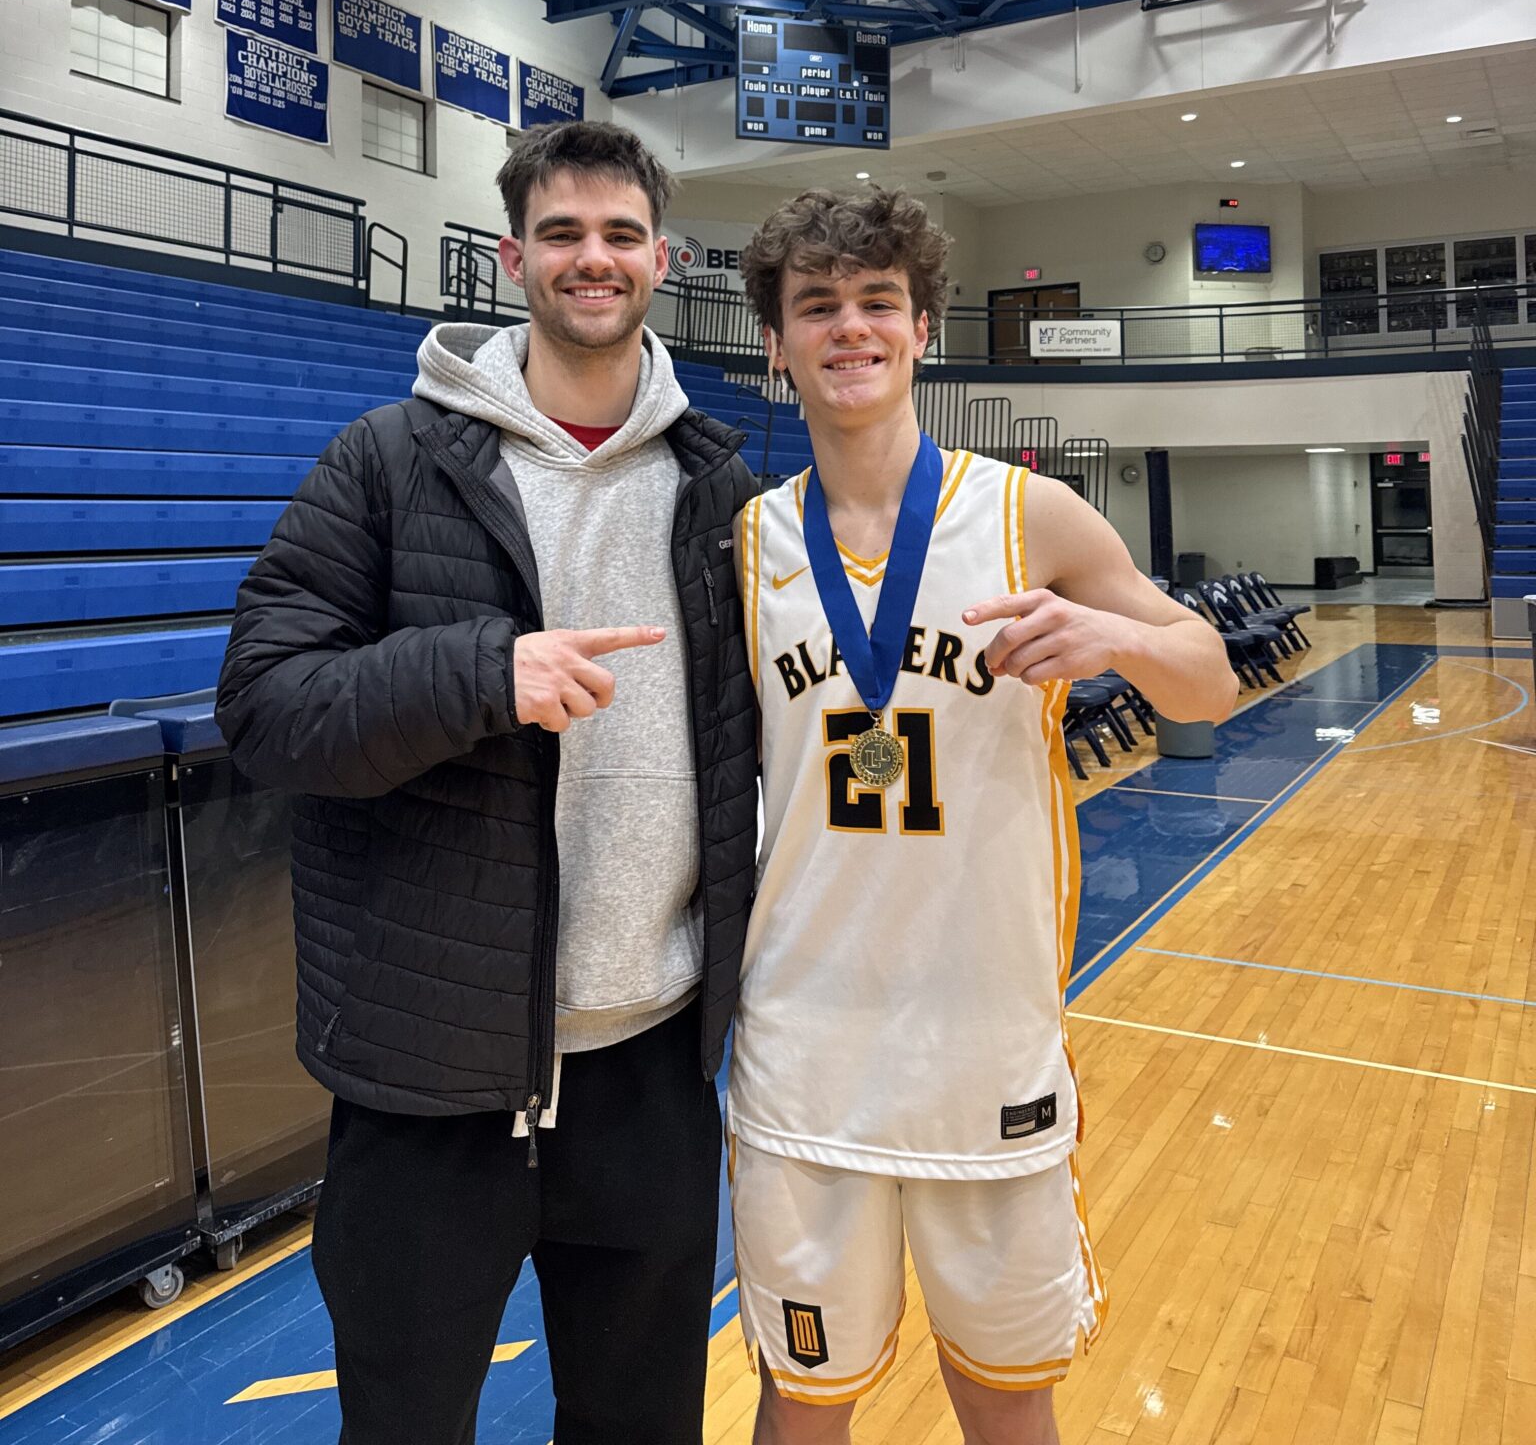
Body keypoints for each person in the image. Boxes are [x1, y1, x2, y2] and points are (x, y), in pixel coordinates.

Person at [216, 121, 760, 1445]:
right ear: (512, 258)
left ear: (661, 260)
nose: (594, 258)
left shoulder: (718, 486)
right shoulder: (389, 461)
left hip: (649, 1066)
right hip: (430, 1083)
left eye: (621, 234)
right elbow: (266, 711)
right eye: (563, 233)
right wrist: (479, 674)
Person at [729, 187, 1237, 1445]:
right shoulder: (743, 542)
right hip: (805, 1049)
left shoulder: (1029, 514)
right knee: (799, 1401)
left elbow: (1211, 679)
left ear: (921, 327)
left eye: (877, 304)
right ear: (777, 346)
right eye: (818, 307)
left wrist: (1118, 634)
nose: (850, 328)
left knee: (1006, 1397)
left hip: (987, 1039)